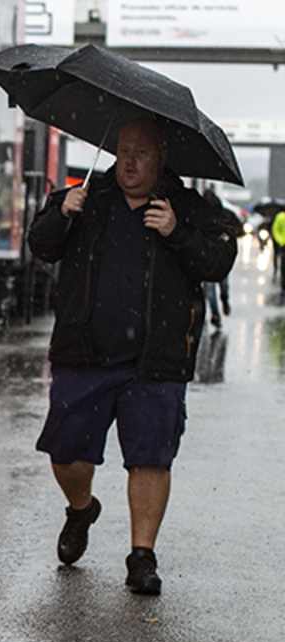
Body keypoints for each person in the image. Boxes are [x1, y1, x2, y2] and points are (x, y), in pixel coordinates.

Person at [28, 117, 237, 595]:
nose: (130, 161)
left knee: (150, 458)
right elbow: (41, 246)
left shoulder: (185, 206)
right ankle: (81, 508)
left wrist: (177, 232)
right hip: (85, 355)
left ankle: (142, 555)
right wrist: (62, 212)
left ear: (161, 157)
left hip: (155, 361)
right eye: (123, 150)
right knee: (66, 453)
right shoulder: (85, 197)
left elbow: (218, 261)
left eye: (142, 152)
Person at [201, 191, 239, 328]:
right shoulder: (224, 215)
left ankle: (217, 311)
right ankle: (219, 309)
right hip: (216, 258)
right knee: (219, 285)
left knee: (212, 289)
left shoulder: (202, 216)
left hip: (209, 257)